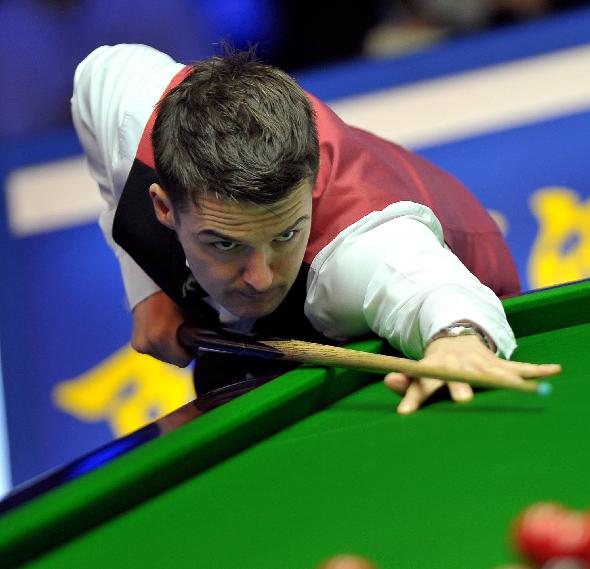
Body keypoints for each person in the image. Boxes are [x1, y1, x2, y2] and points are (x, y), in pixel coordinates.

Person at [71, 43, 559, 414]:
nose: (261, 277)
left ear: (310, 186)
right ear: (163, 207)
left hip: (467, 266)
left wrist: (456, 337)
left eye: (285, 234)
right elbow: (93, 79)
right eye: (224, 243)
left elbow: (434, 291)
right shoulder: (129, 108)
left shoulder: (357, 253)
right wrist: (146, 286)